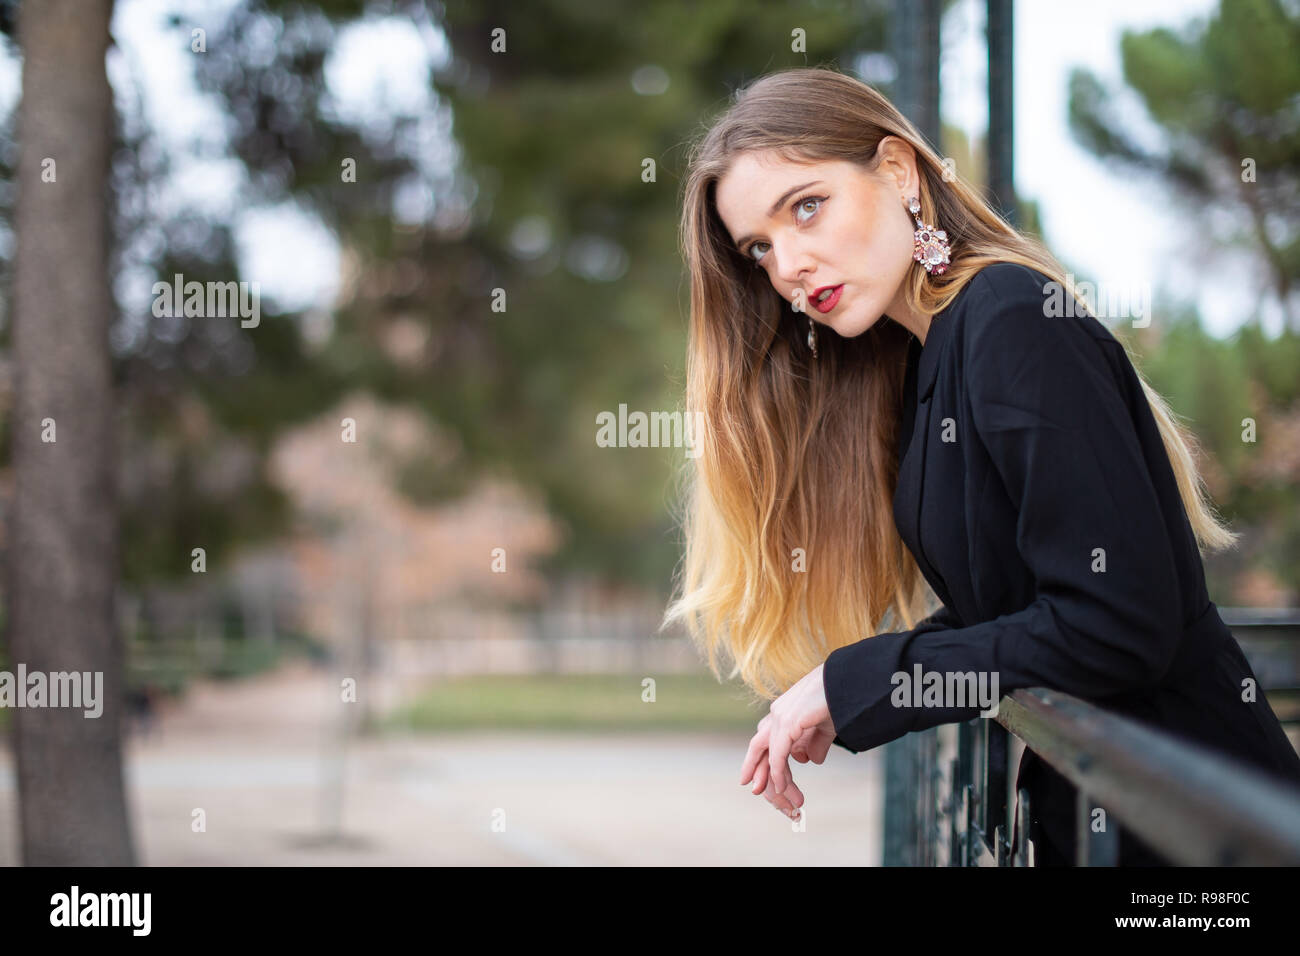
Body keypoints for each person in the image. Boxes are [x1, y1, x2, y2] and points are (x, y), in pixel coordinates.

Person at [659, 66, 1300, 866]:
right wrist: (843, 682)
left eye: (808, 207)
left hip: (1202, 833)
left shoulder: (1008, 318)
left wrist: (862, 681)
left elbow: (1119, 622)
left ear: (899, 173)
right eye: (759, 248)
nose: (788, 264)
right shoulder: (934, 359)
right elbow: (1016, 606)